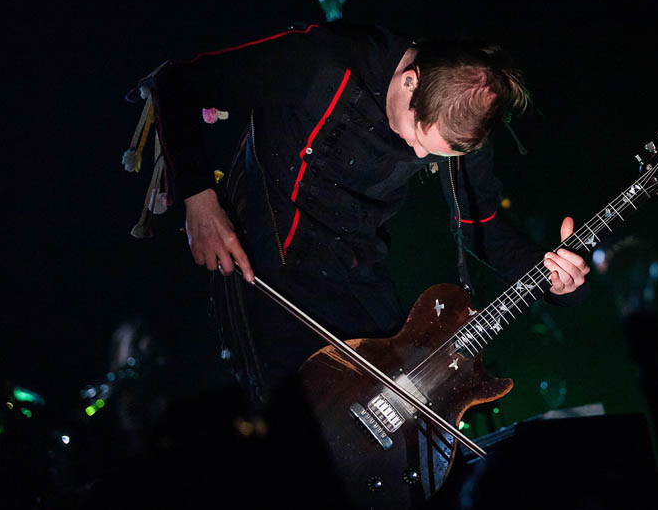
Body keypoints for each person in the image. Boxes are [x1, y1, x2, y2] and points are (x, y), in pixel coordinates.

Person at [125, 21, 590, 407]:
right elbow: (177, 83)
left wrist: (549, 276)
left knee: (408, 414)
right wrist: (199, 201)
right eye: (416, 137)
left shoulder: (462, 125)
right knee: (303, 434)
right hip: (271, 264)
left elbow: (479, 224)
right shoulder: (322, 61)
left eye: (433, 154)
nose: (416, 152)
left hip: (357, 273)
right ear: (411, 79)